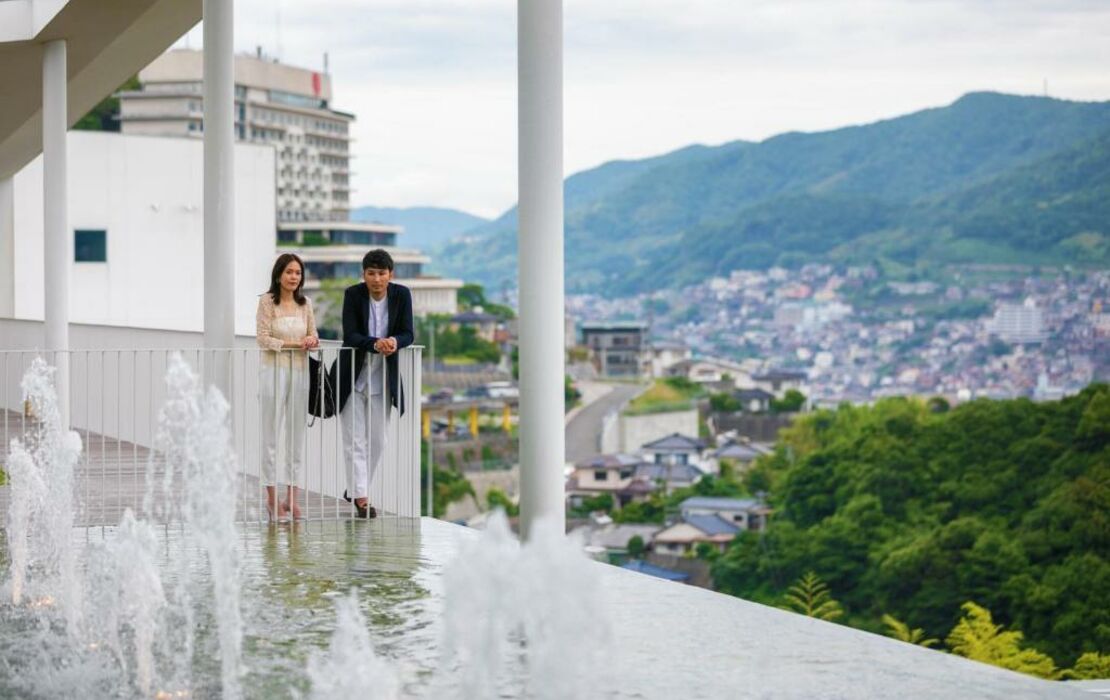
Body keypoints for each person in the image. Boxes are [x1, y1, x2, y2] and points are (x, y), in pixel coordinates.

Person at [336, 249, 414, 518]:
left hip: (384, 376)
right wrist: (374, 343)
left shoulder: (402, 295)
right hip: (352, 377)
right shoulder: (353, 294)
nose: (377, 279)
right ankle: (361, 498)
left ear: (390, 275)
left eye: (382, 273)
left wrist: (394, 342)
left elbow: (408, 332)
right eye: (371, 273)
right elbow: (350, 335)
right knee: (353, 441)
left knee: (379, 440)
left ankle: (355, 488)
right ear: (364, 275)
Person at [256, 253, 319, 521]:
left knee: (296, 437)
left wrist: (311, 341)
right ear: (279, 274)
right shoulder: (267, 302)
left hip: (300, 373)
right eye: (289, 272)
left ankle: (291, 498)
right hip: (273, 372)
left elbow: (314, 334)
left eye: (298, 273)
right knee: (270, 436)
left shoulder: (306, 305)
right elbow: (263, 338)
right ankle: (271, 499)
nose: (294, 277)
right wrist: (293, 345)